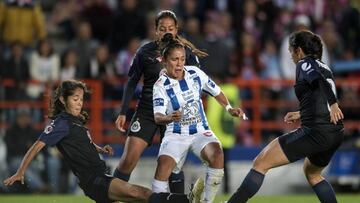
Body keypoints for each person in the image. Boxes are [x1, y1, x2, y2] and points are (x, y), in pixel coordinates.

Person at [3, 80, 190, 203]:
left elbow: (83, 144)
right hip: (93, 179)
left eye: (81, 99)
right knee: (141, 194)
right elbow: (37, 145)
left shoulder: (76, 122)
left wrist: (101, 149)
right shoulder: (60, 124)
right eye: (75, 98)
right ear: (62, 99)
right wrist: (20, 172)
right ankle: (186, 200)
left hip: (100, 175)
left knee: (141, 197)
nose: (79, 103)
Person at [227, 30, 344, 203]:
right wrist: (301, 113)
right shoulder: (324, 65)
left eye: (291, 51)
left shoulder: (304, 63)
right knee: (313, 174)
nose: (290, 55)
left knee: (261, 162)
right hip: (335, 132)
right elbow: (320, 95)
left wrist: (334, 103)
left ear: (299, 50)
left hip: (317, 131)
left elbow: (319, 81)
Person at [114, 10, 208, 193]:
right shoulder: (144, 51)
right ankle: (111, 195)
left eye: (170, 28)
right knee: (128, 159)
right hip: (148, 110)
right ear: (155, 30)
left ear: (176, 30)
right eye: (162, 28)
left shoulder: (186, 53)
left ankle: (178, 199)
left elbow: (198, 83)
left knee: (172, 165)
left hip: (175, 113)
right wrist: (123, 111)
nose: (166, 31)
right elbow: (132, 81)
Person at [151, 35, 247, 203]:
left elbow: (216, 91)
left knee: (217, 154)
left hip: (200, 130)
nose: (180, 63)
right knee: (162, 171)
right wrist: (168, 117)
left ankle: (206, 202)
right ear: (165, 61)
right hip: (176, 133)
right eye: (175, 59)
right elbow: (157, 116)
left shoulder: (195, 74)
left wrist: (229, 108)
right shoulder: (160, 85)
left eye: (182, 59)